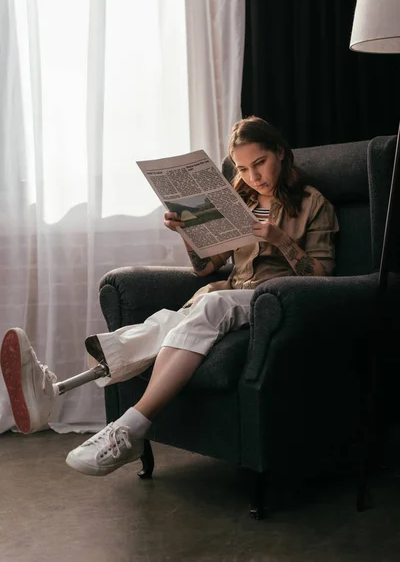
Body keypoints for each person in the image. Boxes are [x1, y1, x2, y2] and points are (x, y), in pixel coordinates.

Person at [0, 116, 339, 477]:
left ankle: (132, 426)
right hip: (230, 294)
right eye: (243, 168)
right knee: (162, 325)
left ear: (280, 154)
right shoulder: (240, 200)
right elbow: (207, 268)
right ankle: (52, 390)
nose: (254, 176)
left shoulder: (312, 202)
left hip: (275, 299)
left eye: (260, 163)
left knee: (212, 302)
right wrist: (186, 231)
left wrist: (280, 240)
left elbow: (323, 275)